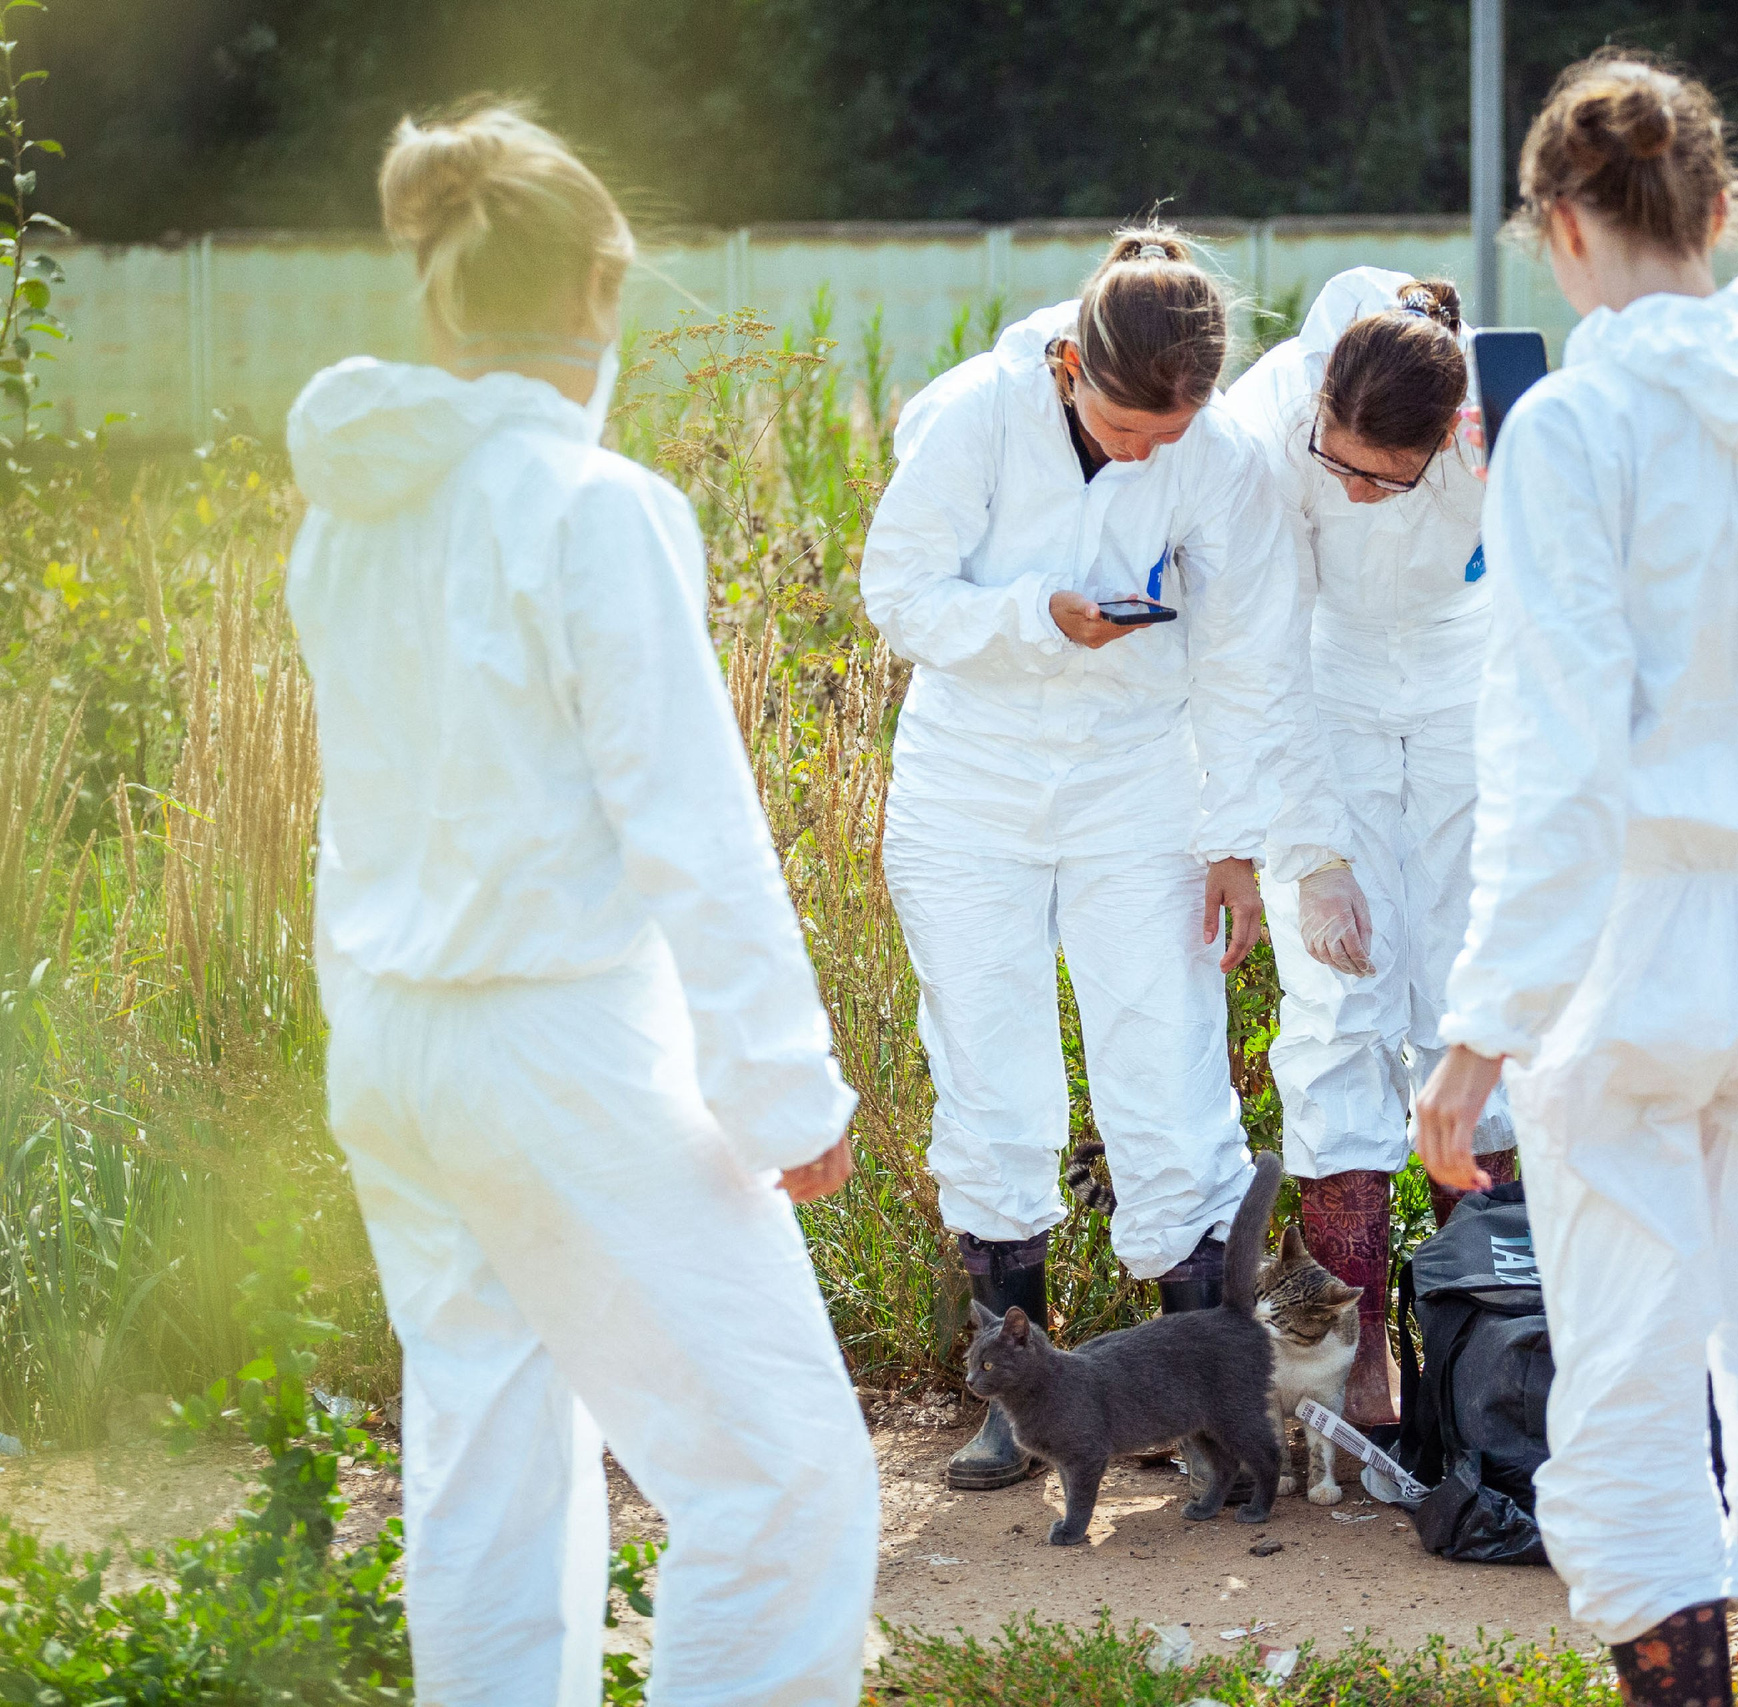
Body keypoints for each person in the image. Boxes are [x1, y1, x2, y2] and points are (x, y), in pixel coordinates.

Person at [285, 106, 878, 1706]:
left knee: (488, 1465)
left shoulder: (349, 512)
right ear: (602, 290)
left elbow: (361, 809)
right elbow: (694, 825)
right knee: (784, 1477)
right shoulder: (590, 504)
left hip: (395, 1041)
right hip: (558, 1043)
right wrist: (783, 1085)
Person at [1414, 51, 1738, 1707]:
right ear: (1718, 208)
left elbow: (1558, 761)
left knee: (1632, 1359)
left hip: (1639, 927)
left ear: (1558, 227)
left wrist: (1481, 1030)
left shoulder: (1576, 426)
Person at [862, 227, 1338, 1492]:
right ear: (1070, 365)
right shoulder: (972, 416)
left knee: (1167, 1070)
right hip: (969, 790)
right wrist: (1038, 618)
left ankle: (1194, 1403)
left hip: (1140, 787)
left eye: (1167, 435)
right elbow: (897, 592)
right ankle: (1016, 1399)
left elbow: (1247, 656)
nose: (1143, 453)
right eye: (1126, 428)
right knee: (989, 1069)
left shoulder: (1214, 455)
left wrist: (1233, 840)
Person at [1223, 267, 1517, 1429]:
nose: (1349, 490)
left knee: (1473, 997)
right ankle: (1353, 1361)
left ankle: (1484, 1347)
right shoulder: (1268, 417)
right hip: (1321, 685)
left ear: (1444, 440)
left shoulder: (1509, 413)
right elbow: (1257, 648)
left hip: (1468, 680)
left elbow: (1565, 607)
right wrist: (1313, 859)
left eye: (1378, 478)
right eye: (1334, 464)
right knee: (1336, 1003)